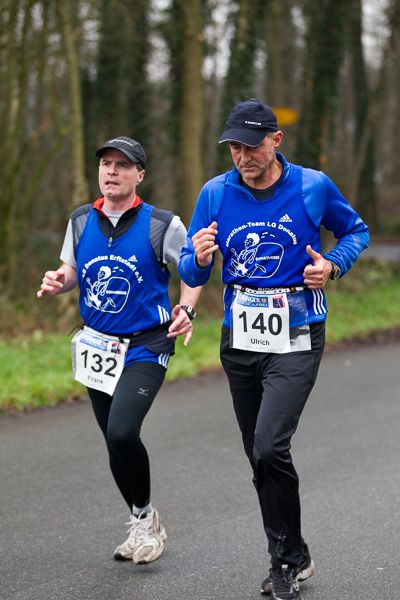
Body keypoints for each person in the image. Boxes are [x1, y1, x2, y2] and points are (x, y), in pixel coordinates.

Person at [178, 100, 369, 600]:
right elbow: (190, 268)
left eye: (252, 146)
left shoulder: (312, 186)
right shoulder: (215, 193)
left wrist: (331, 265)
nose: (243, 157)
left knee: (269, 445)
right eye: (234, 148)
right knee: (257, 453)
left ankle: (282, 562)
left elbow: (356, 231)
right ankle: (295, 553)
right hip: (240, 336)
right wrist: (198, 259)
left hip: (298, 331)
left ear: (276, 140)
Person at [37, 136, 201, 565]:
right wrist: (58, 281)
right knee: (113, 440)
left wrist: (186, 308)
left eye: (122, 165)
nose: (111, 171)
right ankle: (142, 519)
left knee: (123, 431)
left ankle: (146, 522)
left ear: (139, 175)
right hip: (97, 346)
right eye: (106, 164)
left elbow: (191, 269)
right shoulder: (79, 220)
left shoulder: (162, 224)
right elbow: (72, 270)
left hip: (146, 343)